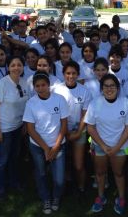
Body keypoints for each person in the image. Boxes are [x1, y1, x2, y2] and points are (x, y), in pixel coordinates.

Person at [85, 74, 128, 215]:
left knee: (119, 173)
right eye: (106, 86)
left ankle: (121, 198)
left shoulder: (126, 103)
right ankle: (101, 197)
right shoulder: (94, 103)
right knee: (100, 173)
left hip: (121, 147)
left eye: (112, 86)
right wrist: (102, 146)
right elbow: (90, 127)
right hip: (100, 147)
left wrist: (116, 147)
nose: (109, 89)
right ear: (101, 89)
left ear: (118, 88)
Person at [24, 71, 69, 215]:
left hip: (58, 145)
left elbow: (64, 125)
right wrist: (45, 149)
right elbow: (30, 129)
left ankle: (56, 197)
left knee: (60, 179)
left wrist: (55, 146)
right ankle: (46, 199)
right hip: (38, 147)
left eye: (43, 85)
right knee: (41, 173)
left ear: (49, 85)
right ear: (34, 88)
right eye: (37, 86)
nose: (41, 88)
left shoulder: (60, 99)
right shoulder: (31, 103)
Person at [0, 56, 30, 200]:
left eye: (19, 65)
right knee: (2, 160)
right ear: (8, 67)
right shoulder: (2, 84)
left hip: (18, 127)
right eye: (13, 65)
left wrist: (25, 124)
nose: (16, 68)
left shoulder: (25, 83)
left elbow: (27, 106)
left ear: (22, 67)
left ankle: (14, 182)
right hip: (4, 128)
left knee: (14, 157)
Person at [53, 61, 92, 197]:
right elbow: (54, 113)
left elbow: (85, 115)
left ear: (78, 74)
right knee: (62, 163)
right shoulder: (57, 89)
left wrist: (78, 133)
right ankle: (65, 185)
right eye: (68, 73)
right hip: (60, 129)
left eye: (74, 73)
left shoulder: (85, 91)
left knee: (79, 165)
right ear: (63, 74)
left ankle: (81, 188)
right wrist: (64, 132)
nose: (71, 76)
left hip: (78, 129)